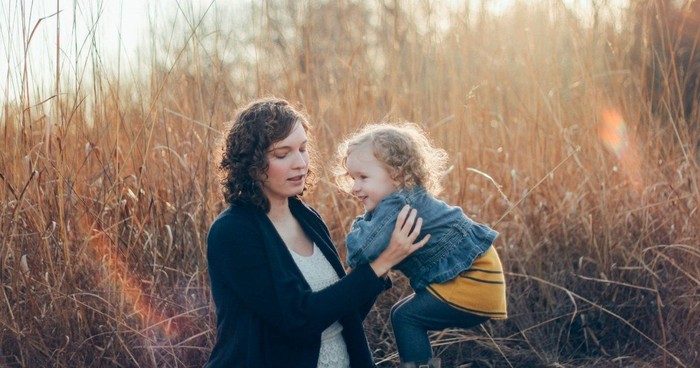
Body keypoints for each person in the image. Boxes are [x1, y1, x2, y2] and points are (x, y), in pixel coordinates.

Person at [206, 97, 430, 368]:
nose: (300, 163)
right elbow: (298, 320)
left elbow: (343, 315)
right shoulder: (232, 232)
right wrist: (381, 263)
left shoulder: (307, 217)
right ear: (250, 163)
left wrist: (383, 259)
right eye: (282, 154)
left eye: (302, 149)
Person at [335, 123, 508, 368]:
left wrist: (362, 222)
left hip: (473, 281)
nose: (355, 187)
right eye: (352, 178)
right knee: (400, 314)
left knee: (407, 318)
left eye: (363, 177)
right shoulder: (407, 197)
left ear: (396, 174)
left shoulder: (395, 205)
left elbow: (360, 252)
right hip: (482, 276)